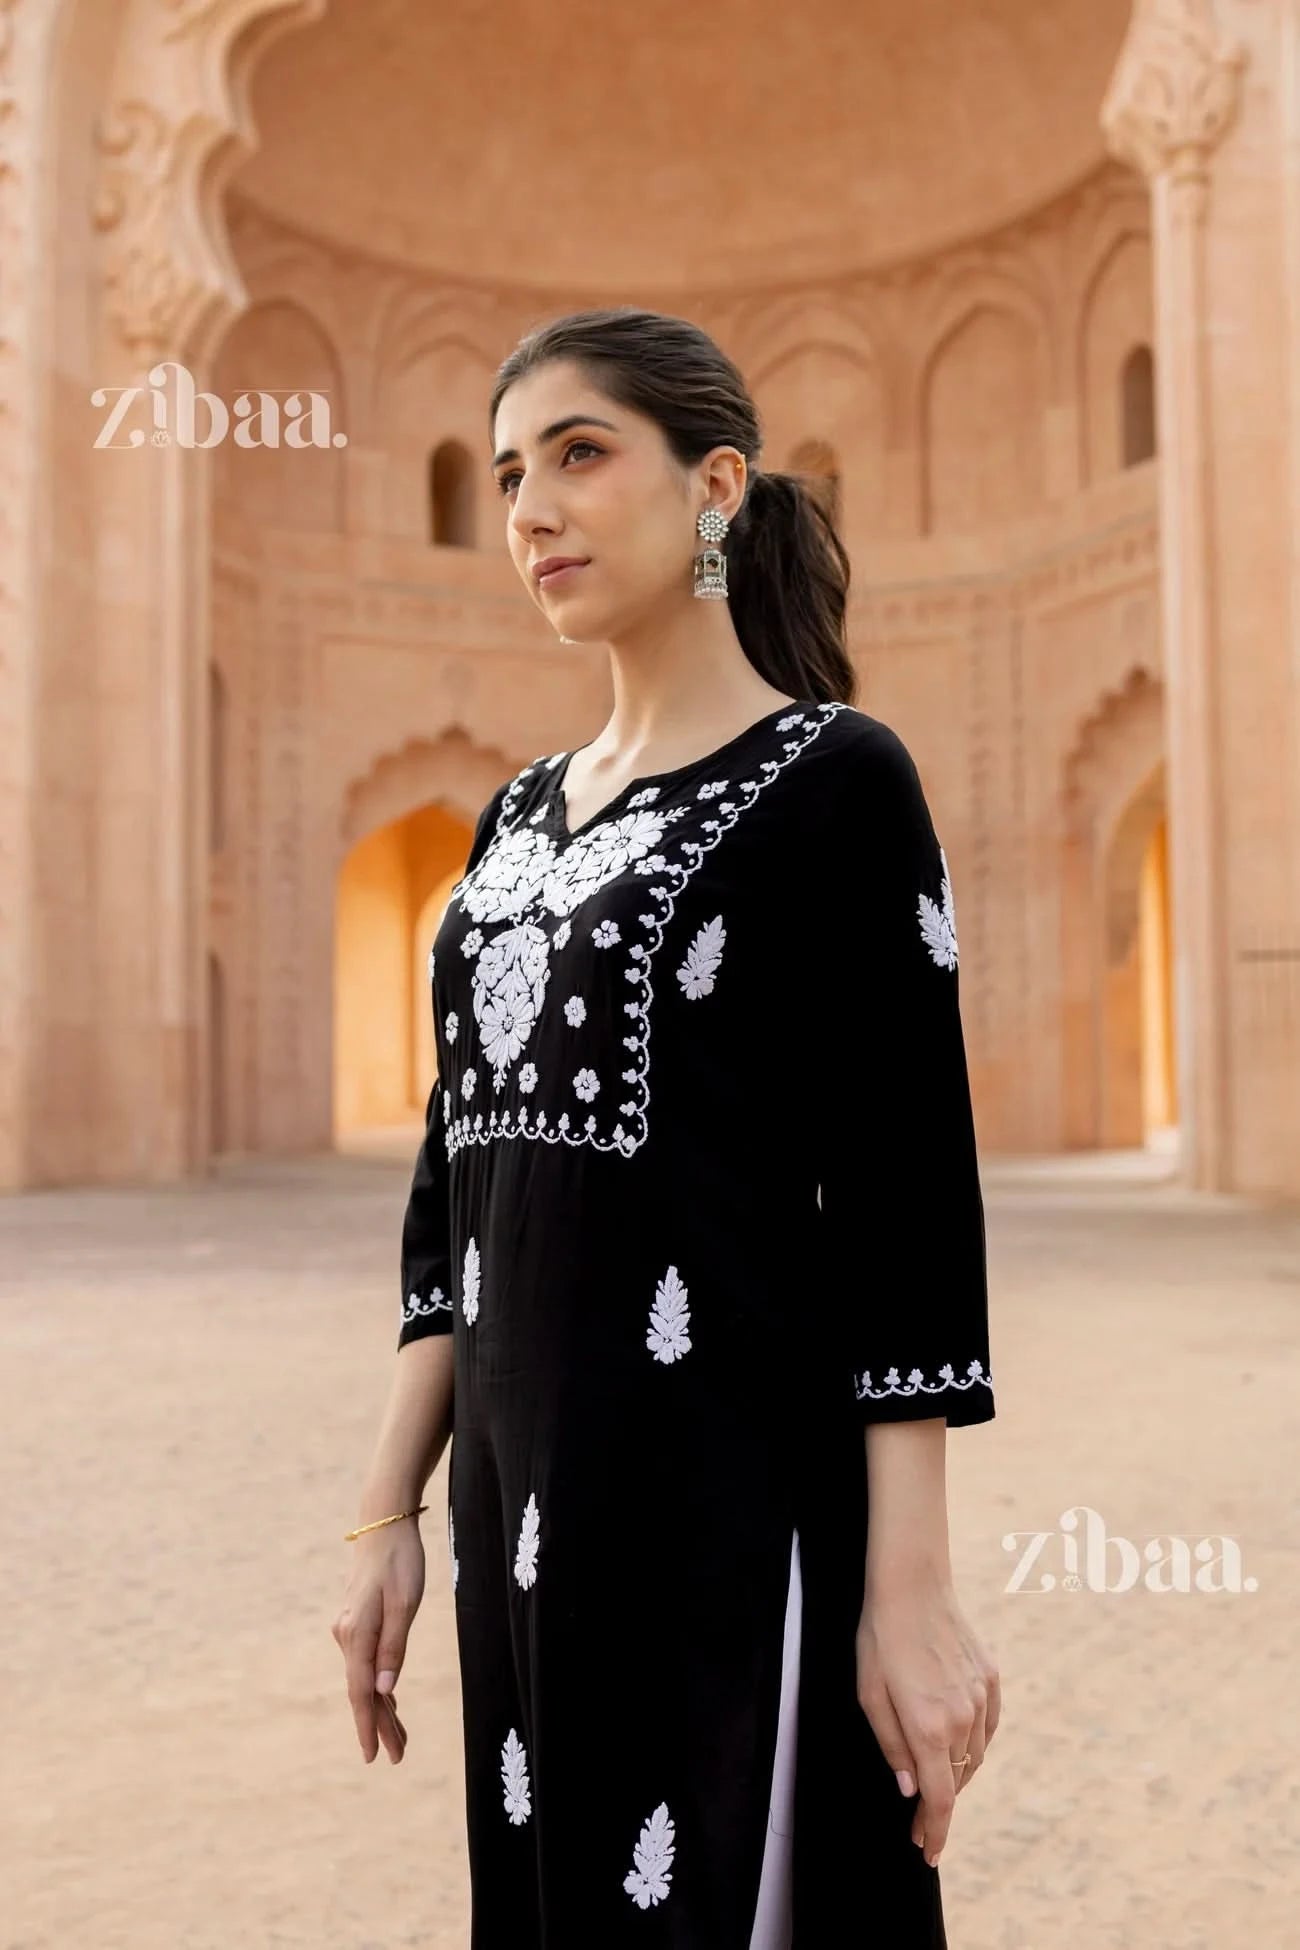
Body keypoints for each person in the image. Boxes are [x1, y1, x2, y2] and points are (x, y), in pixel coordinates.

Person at [332, 306, 1001, 1947]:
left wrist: (905, 1589)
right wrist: (386, 1517)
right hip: (517, 1516)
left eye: (578, 454)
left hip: (728, 1506)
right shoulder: (509, 814)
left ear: (716, 487)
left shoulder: (837, 776)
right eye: (506, 474)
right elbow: (456, 1200)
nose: (531, 511)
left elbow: (904, 1198)